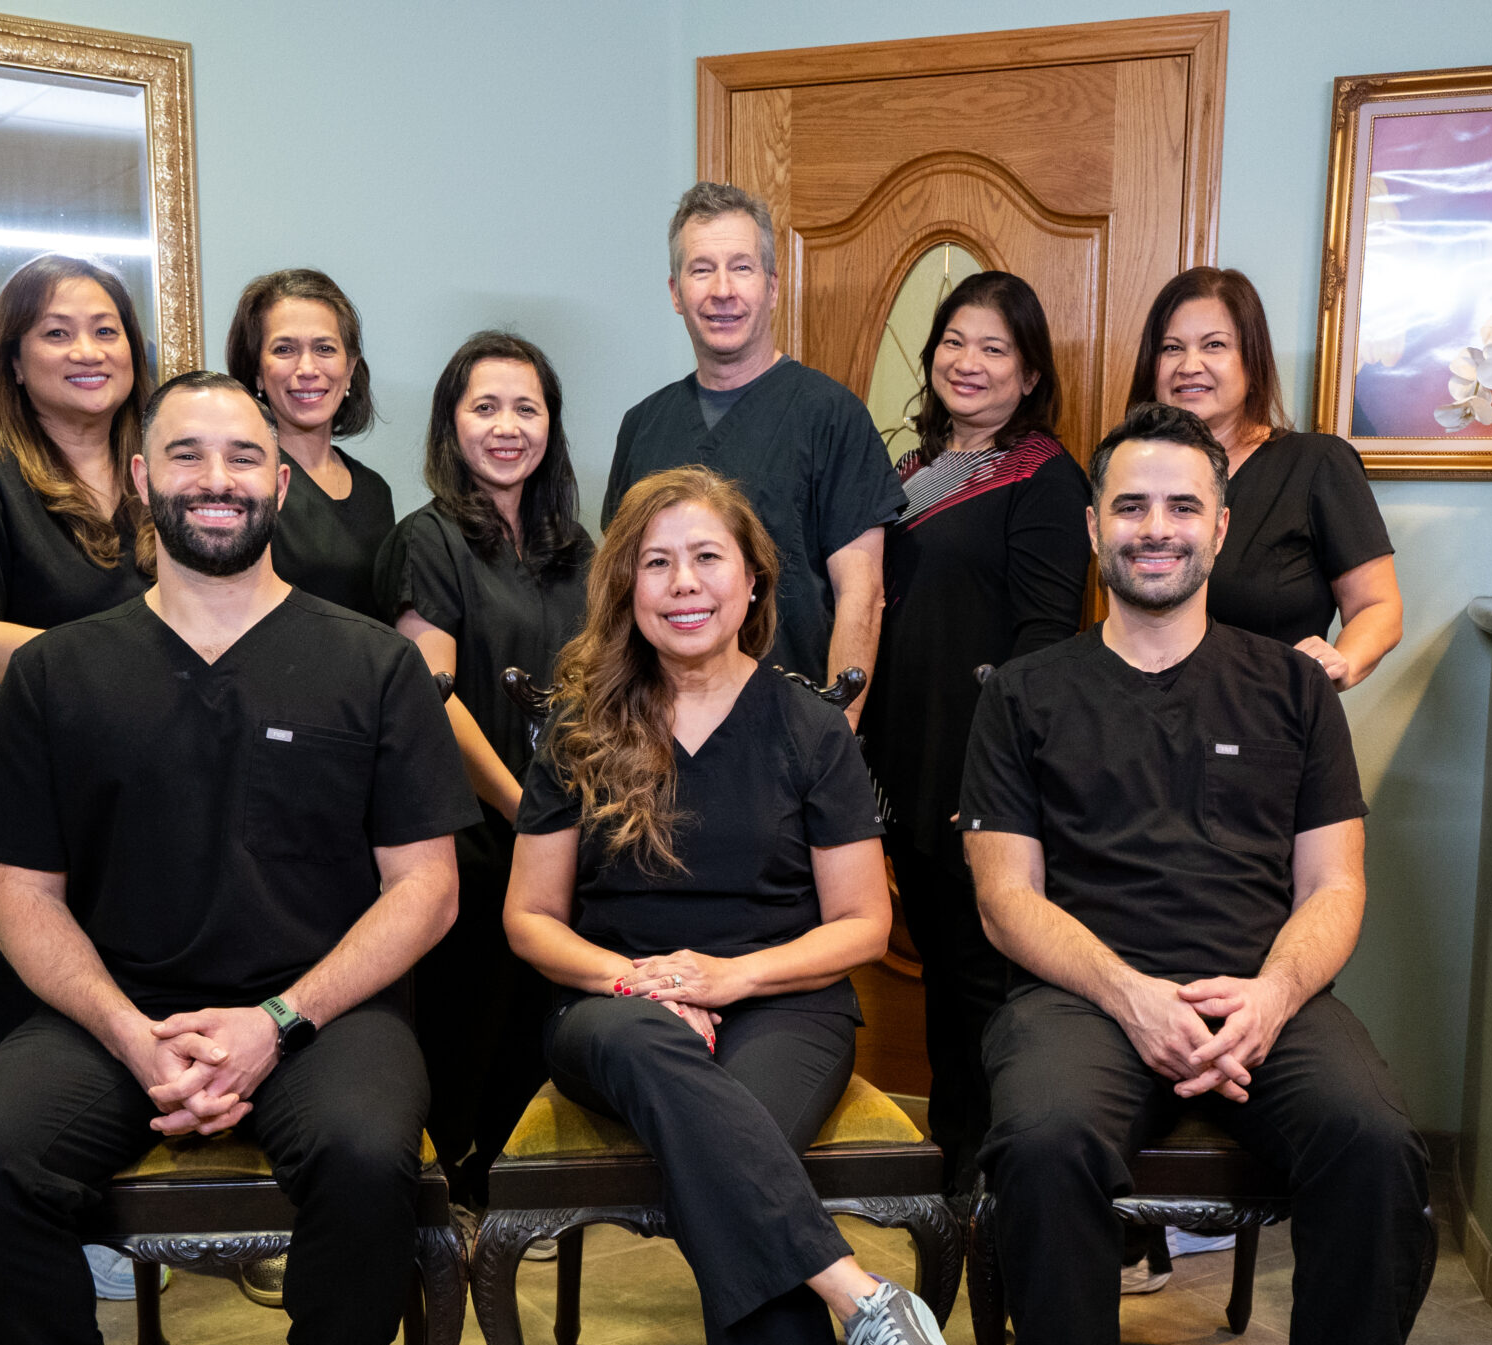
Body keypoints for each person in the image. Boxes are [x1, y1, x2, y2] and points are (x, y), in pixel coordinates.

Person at [0, 371, 475, 1345]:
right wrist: (131, 1035)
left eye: (241, 456)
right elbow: (19, 897)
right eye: (186, 455)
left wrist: (275, 1023)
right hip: (117, 1012)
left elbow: (425, 890)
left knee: (367, 1149)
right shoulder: (61, 673)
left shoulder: (372, 666)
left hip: (321, 1010)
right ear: (140, 480)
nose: (216, 479)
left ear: (279, 479)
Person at [959, 404, 1440, 1345]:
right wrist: (1130, 994)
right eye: (1131, 506)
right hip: (1084, 995)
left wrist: (1271, 996)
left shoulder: (1293, 689)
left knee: (1375, 1143)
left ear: (1220, 530)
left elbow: (1334, 887)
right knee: (1044, 1138)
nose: (1155, 528)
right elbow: (1006, 899)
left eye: (1182, 506)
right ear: (1093, 528)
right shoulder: (1024, 693)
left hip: (1260, 990)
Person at [503, 466, 978, 1345]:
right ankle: (865, 1310)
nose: (682, 584)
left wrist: (729, 978)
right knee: (686, 1097)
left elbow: (861, 924)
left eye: (706, 557)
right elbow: (529, 920)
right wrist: (641, 983)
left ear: (754, 580)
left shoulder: (809, 727)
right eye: (655, 562)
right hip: (615, 1011)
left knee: (729, 1185)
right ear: (626, 586)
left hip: (783, 1004)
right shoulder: (580, 725)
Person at [862, 271, 1089, 1187]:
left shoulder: (1046, 477)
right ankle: (954, 1165)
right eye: (954, 341)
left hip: (979, 775)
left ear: (1030, 373)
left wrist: (998, 779)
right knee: (943, 980)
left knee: (987, 985)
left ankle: (999, 1181)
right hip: (905, 764)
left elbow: (1045, 644)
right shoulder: (908, 474)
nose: (969, 361)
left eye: (995, 347)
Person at [0, 254, 153, 1080]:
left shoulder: (161, 476)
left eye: (106, 330)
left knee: (142, 1062)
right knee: (26, 1070)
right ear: (13, 360)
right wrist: (122, 658)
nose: (87, 351)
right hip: (15, 802)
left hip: (133, 810)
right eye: (56, 333)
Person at [376, 331, 590, 1204]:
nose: (508, 427)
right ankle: (453, 1212)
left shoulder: (576, 546)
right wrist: (525, 810)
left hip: (563, 830)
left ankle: (511, 1204)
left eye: (526, 408)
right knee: (467, 1027)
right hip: (472, 831)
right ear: (451, 423)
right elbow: (433, 699)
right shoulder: (425, 540)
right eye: (486, 407)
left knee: (537, 1032)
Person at [602, 183, 901, 720]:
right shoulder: (643, 426)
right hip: (653, 727)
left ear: (772, 286)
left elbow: (862, 593)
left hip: (789, 726)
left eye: (741, 267)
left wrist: (840, 732)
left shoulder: (831, 416)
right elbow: (620, 591)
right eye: (701, 270)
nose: (723, 290)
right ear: (675, 292)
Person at [1129, 267, 1403, 688]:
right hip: (1146, 711)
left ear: (1252, 362)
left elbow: (1378, 606)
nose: (1189, 365)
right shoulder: (1130, 473)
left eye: (1214, 345)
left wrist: (1342, 663)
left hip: (1269, 712)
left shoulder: (1317, 464)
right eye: (1171, 348)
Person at [224, 269, 395, 614]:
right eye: (285, 349)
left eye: (324, 348)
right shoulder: (241, 483)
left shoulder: (376, 491)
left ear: (350, 368)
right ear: (257, 372)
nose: (307, 369)